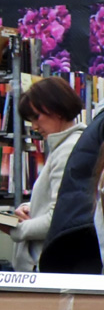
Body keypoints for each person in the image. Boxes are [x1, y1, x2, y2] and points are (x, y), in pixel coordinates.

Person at [7, 77, 84, 272]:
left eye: (36, 117)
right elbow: (64, 201)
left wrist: (16, 229)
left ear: (56, 110)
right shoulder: (66, 146)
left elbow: (60, 217)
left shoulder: (67, 150)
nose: (34, 126)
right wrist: (31, 207)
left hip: (46, 264)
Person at [40, 103, 104, 274]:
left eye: (36, 117)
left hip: (78, 239)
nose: (34, 126)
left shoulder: (91, 130)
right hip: (86, 239)